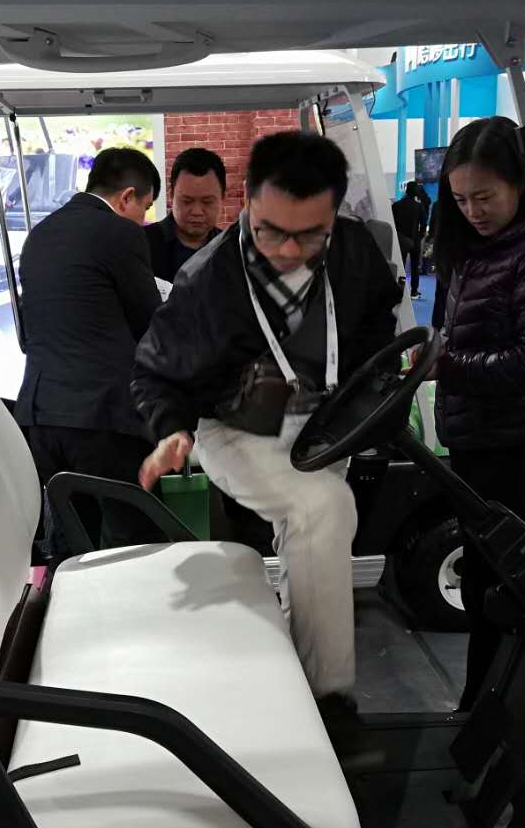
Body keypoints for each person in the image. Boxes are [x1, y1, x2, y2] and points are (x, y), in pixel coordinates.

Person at [131, 131, 401, 711]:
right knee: (323, 508)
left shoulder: (354, 249)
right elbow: (153, 372)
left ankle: (295, 668)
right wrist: (171, 429)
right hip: (234, 427)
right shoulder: (207, 281)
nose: (288, 251)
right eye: (270, 231)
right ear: (247, 204)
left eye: (311, 235)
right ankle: (328, 698)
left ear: (334, 216)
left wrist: (377, 386)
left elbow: (378, 319)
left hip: (324, 422)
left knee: (315, 534)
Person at [432, 117, 525, 710]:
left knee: (497, 591)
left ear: (519, 183)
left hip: (517, 450)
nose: (472, 211)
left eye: (484, 197)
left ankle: (490, 711)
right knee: (483, 585)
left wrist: (447, 366)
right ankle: (480, 707)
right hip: (475, 445)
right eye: (461, 199)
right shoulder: (474, 249)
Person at [15, 147, 164, 552]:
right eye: (145, 207)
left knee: (72, 545)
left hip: (42, 416)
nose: (143, 218)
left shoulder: (41, 235)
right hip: (104, 418)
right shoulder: (120, 233)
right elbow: (151, 324)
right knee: (137, 542)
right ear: (128, 196)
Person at [146, 147, 226, 286]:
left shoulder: (232, 249)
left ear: (222, 197)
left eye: (207, 202)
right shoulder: (143, 244)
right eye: (187, 201)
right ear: (171, 195)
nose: (197, 211)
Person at [391, 181, 428, 297]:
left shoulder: (396, 205)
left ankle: (398, 289)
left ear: (406, 191)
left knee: (400, 266)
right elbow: (423, 224)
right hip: (414, 240)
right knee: (414, 266)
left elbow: (392, 223)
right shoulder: (419, 206)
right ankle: (414, 291)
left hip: (401, 240)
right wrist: (419, 236)